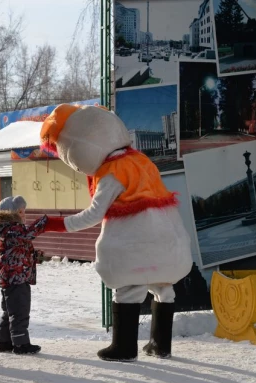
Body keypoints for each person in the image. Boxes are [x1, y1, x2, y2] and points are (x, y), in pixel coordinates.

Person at [40, 104, 192, 362]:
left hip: (136, 238)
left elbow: (94, 214)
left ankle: (124, 347)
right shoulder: (141, 160)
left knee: (128, 288)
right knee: (163, 287)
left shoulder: (112, 172)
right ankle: (160, 344)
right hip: (168, 234)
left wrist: (56, 224)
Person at [0, 196, 47, 355]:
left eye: (24, 211)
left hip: (11, 276)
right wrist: (45, 222)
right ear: (10, 214)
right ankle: (21, 344)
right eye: (20, 212)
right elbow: (28, 234)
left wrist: (33, 256)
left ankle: (4, 342)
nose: (24, 215)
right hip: (16, 277)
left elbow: (17, 249)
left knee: (10, 311)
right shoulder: (12, 228)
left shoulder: (8, 229)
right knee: (20, 311)